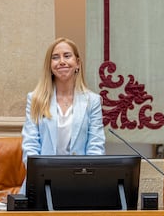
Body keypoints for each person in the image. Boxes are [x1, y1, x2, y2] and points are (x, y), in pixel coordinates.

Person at [20, 37, 106, 194]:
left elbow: (95, 147)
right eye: (55, 57)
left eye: (67, 56)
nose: (61, 61)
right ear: (49, 65)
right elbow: (30, 146)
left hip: (82, 185)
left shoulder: (92, 101)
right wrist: (42, 175)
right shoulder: (35, 99)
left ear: (78, 63)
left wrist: (85, 178)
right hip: (41, 185)